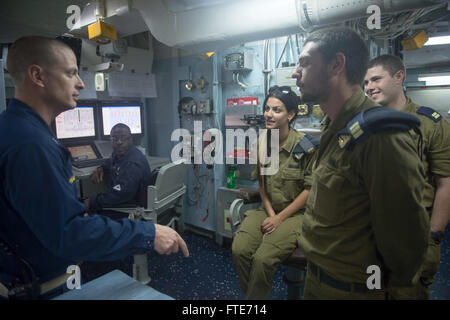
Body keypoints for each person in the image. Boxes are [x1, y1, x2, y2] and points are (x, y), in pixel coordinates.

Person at [0, 36, 188, 299]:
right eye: (71, 73)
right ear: (37, 76)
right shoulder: (31, 145)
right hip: (36, 287)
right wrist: (148, 232)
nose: (81, 83)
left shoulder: (18, 130)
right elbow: (68, 233)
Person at [292, 27, 429, 299]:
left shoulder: (380, 135)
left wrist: (395, 284)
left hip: (354, 290)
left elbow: (406, 230)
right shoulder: (335, 126)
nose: (296, 72)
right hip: (318, 278)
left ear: (336, 64)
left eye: (305, 62)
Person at [364, 54, 450, 299]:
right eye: (366, 82)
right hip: (368, 234)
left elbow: (446, 184)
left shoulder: (430, 124)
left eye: (376, 79)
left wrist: (433, 236)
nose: (369, 87)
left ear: (399, 76)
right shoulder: (363, 124)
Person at [231, 85, 318, 299]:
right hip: (269, 208)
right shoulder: (262, 143)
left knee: (263, 259)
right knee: (239, 250)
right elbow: (262, 185)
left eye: (277, 110)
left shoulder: (306, 146)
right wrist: (271, 215)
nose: (269, 114)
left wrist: (280, 218)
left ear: (290, 114)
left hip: (296, 214)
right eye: (267, 108)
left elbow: (309, 190)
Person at [84, 123, 152, 215]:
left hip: (129, 209)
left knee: (88, 212)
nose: (119, 142)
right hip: (123, 202)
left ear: (130, 139)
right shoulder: (120, 154)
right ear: (110, 140)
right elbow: (111, 162)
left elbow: (120, 194)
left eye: (123, 138)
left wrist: (91, 201)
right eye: (115, 138)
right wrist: (101, 168)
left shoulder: (133, 163)